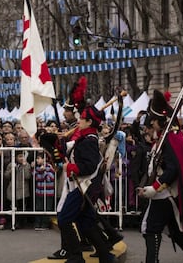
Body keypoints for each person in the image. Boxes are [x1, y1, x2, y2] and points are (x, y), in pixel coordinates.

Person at [137, 89, 183, 263]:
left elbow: (173, 169)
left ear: (156, 121)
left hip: (164, 195)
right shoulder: (165, 138)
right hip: (168, 195)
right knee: (179, 233)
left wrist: (154, 188)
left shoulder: (169, 140)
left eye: (151, 122)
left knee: (150, 229)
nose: (149, 126)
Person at [56, 105, 115, 263]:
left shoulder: (89, 140)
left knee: (64, 219)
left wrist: (70, 167)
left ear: (89, 122)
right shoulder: (85, 138)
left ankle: (76, 256)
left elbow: (88, 166)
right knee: (85, 223)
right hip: (84, 186)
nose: (79, 120)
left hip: (84, 186)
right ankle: (106, 256)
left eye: (82, 118)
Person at [5, 150, 31, 229]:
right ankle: (12, 222)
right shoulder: (11, 164)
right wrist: (12, 170)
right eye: (19, 156)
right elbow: (6, 176)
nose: (21, 158)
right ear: (15, 157)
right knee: (12, 206)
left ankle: (20, 223)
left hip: (23, 190)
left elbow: (27, 176)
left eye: (22, 156)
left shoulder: (27, 165)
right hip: (12, 189)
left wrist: (24, 166)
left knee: (21, 207)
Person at [32, 152, 55, 230]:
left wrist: (44, 172)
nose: (37, 160)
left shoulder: (49, 167)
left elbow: (50, 178)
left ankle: (45, 224)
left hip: (48, 193)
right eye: (37, 158)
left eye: (39, 158)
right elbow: (36, 178)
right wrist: (39, 172)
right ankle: (37, 224)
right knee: (38, 208)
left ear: (44, 159)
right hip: (39, 192)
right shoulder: (37, 168)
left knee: (47, 208)